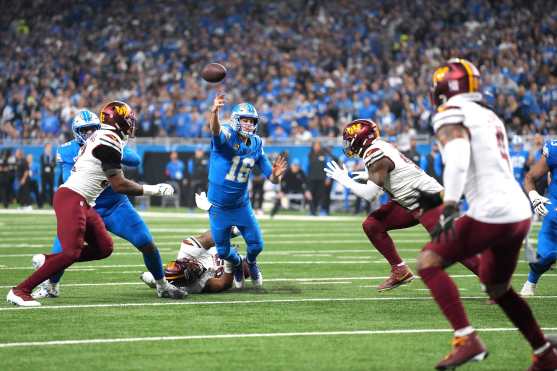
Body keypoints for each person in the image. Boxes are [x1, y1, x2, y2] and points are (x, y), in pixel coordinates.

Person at [415, 58, 557, 370]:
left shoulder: (451, 112)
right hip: (518, 213)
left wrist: (449, 205)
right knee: (497, 287)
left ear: (443, 88)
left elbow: (458, 156)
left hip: (492, 212)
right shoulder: (488, 115)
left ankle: (466, 338)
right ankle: (544, 352)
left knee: (428, 262)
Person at [7, 102, 185, 307]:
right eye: (128, 120)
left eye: (92, 127)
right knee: (68, 252)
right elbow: (118, 184)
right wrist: (154, 190)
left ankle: (49, 261)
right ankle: (24, 289)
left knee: (106, 247)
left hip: (105, 205)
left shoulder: (105, 139)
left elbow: (130, 160)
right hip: (76, 200)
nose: (89, 132)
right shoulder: (102, 142)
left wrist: (119, 147)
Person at [326, 118, 479, 292]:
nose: (347, 145)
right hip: (409, 202)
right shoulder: (378, 147)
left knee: (452, 248)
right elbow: (392, 174)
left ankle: (493, 283)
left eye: (349, 140)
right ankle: (400, 270)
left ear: (359, 138)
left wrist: (345, 180)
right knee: (373, 225)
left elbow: (370, 195)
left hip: (428, 201)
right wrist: (368, 176)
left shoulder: (375, 153)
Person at [207, 93, 287, 289]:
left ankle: (250, 263)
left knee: (257, 245)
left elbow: (272, 178)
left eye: (252, 121)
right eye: (245, 120)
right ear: (235, 120)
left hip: (241, 204)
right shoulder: (227, 133)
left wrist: (276, 175)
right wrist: (214, 112)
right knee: (224, 251)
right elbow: (216, 132)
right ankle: (236, 263)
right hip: (218, 206)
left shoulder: (257, 143)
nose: (249, 124)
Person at [140, 227, 244, 294]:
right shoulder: (196, 286)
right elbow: (224, 283)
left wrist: (235, 230)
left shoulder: (188, 250)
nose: (194, 266)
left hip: (215, 250)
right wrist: (230, 262)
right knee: (244, 268)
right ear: (190, 279)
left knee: (156, 277)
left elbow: (211, 235)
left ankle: (154, 279)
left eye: (189, 264)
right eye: (192, 270)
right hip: (221, 269)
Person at [520, 138, 557, 296]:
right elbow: (530, 178)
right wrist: (534, 196)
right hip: (555, 208)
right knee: (545, 257)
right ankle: (531, 280)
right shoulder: (554, 149)